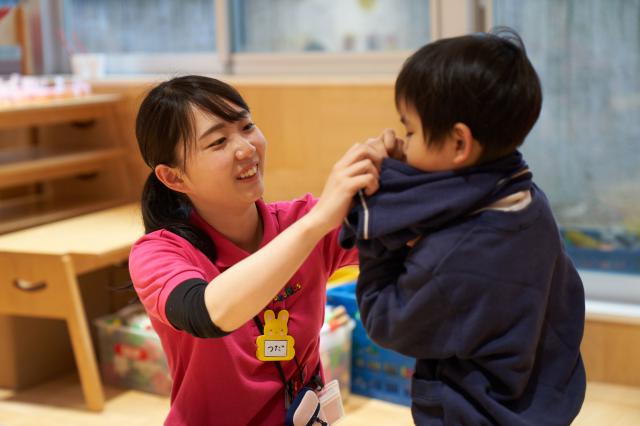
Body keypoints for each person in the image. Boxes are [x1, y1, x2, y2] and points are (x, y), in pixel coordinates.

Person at [339, 28, 586, 425]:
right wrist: (404, 173)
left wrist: (377, 220)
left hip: (474, 412)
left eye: (410, 131)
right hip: (541, 399)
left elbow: (385, 320)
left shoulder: (453, 257)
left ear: (459, 143)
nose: (404, 142)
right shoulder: (527, 199)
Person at [128, 75, 394, 425]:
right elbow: (208, 312)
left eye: (247, 126)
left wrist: (401, 171)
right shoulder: (158, 253)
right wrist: (316, 224)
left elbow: (408, 232)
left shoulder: (299, 220)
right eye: (218, 141)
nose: (246, 149)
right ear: (174, 177)